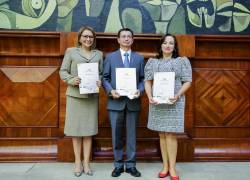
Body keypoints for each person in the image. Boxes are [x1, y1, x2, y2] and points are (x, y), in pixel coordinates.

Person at [144, 34, 192, 180]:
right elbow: (147, 81)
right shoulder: (152, 62)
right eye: (165, 43)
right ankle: (165, 166)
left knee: (171, 134)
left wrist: (177, 95)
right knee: (162, 134)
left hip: (174, 102)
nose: (168, 45)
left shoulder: (181, 61)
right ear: (160, 45)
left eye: (171, 43)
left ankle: (172, 168)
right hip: (158, 103)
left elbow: (188, 81)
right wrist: (149, 96)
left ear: (174, 46)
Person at [59, 26, 103, 177]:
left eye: (91, 37)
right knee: (76, 131)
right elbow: (63, 71)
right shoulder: (71, 52)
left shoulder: (99, 54)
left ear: (94, 39)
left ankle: (86, 163)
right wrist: (72, 79)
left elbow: (102, 74)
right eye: (85, 36)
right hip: (75, 97)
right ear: (79, 38)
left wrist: (100, 81)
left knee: (89, 132)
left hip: (91, 97)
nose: (88, 39)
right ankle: (77, 162)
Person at [102, 28, 145, 177]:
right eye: (123, 36)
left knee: (132, 135)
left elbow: (143, 79)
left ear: (132, 40)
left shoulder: (139, 58)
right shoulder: (110, 57)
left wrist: (140, 90)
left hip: (133, 103)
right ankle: (118, 165)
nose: (126, 39)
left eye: (129, 37)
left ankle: (131, 165)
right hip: (115, 102)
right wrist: (110, 91)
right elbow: (105, 78)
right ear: (118, 40)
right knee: (116, 135)